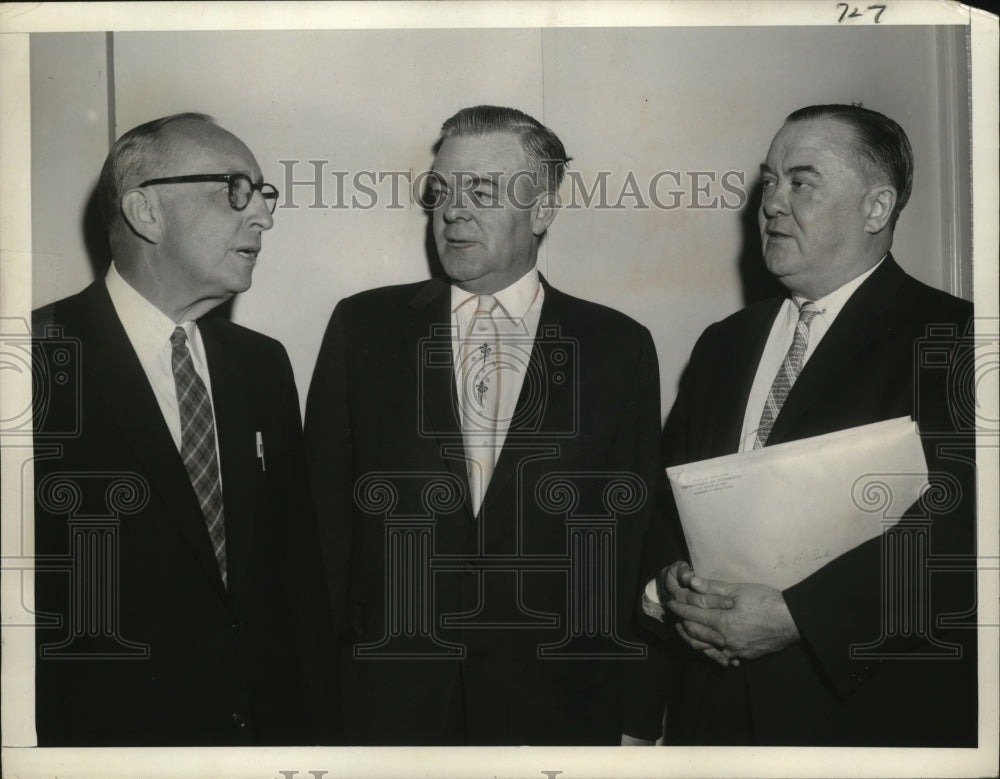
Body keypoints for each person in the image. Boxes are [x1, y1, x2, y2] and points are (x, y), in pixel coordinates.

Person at [305, 105, 665, 745]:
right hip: (387, 703)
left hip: (554, 710)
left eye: (482, 190)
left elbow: (631, 544)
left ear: (545, 210)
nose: (451, 211)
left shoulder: (618, 347)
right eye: (441, 190)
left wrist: (637, 715)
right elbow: (321, 532)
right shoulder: (363, 329)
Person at [645, 104, 977, 746]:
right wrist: (670, 582)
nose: (771, 202)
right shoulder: (723, 343)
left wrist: (801, 617)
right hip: (712, 717)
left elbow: (964, 534)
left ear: (876, 209)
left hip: (863, 720)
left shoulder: (958, 339)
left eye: (801, 181)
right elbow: (665, 501)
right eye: (769, 180)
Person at [32, 113, 333, 746]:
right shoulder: (29, 363)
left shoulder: (261, 365)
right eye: (234, 191)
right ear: (146, 211)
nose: (264, 218)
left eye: (263, 195)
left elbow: (297, 583)